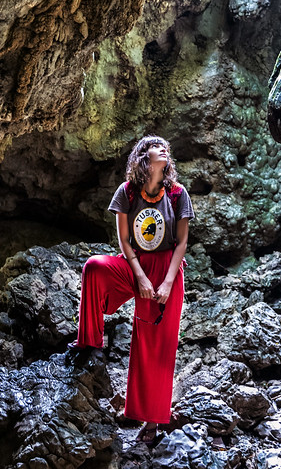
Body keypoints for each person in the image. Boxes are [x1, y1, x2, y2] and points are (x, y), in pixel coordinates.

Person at [69, 135, 194, 445]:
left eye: (167, 146)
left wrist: (166, 281)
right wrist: (139, 276)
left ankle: (150, 421)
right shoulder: (127, 192)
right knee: (94, 267)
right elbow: (125, 241)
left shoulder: (177, 194)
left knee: (154, 345)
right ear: (143, 156)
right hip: (136, 264)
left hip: (167, 270)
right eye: (156, 145)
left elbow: (182, 243)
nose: (164, 147)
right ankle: (90, 340)